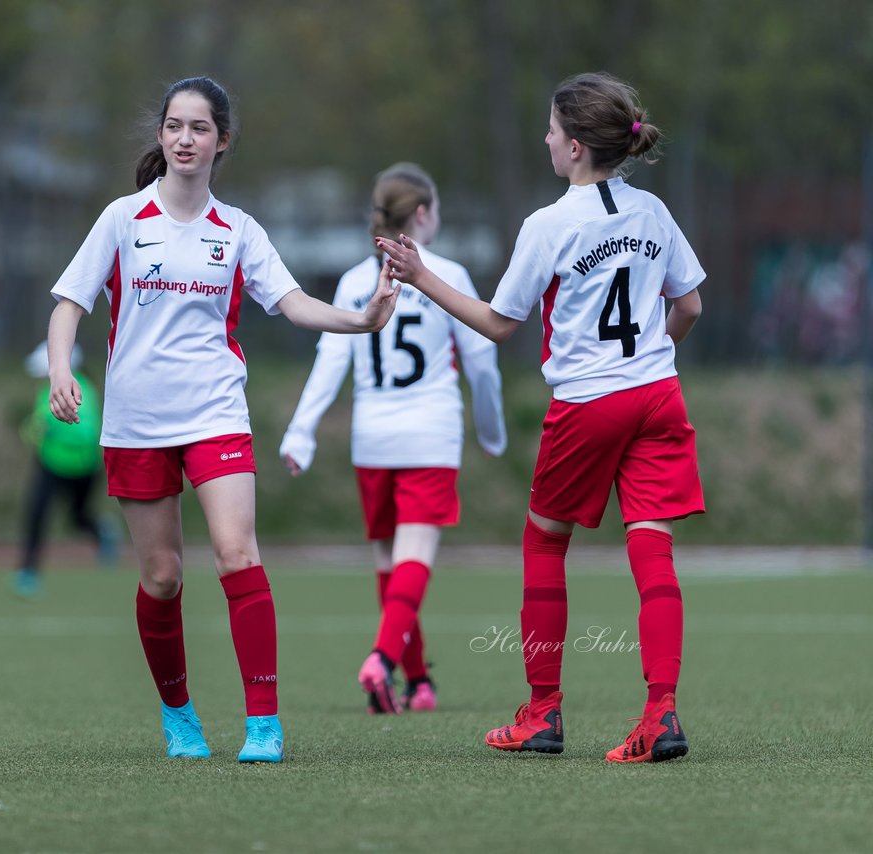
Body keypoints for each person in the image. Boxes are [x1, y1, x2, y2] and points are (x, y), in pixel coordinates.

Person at [45, 76, 399, 764]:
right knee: (163, 576)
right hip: (136, 423)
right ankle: (178, 713)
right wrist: (62, 367)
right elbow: (68, 304)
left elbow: (293, 303)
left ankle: (263, 723)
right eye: (174, 126)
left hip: (215, 413)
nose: (185, 138)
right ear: (161, 136)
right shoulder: (123, 219)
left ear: (222, 141)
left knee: (239, 553)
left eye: (199, 128)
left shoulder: (237, 231)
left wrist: (362, 318)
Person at [379, 71, 704, 763]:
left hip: (588, 403)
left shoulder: (549, 224)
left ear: (578, 147)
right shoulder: (654, 213)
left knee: (545, 543)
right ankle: (662, 714)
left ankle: (543, 713)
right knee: (651, 547)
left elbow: (498, 325)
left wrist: (420, 275)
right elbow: (691, 306)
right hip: (658, 395)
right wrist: (646, 358)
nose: (547, 139)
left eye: (554, 130)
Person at [279, 163, 507, 715]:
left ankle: (419, 683)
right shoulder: (447, 273)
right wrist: (491, 430)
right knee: (415, 559)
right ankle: (382, 660)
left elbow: (330, 360)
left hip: (373, 439)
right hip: (430, 434)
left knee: (388, 562)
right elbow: (482, 363)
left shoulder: (356, 281)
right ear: (423, 215)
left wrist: (300, 430)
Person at [13, 341, 118, 598]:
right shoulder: (45, 393)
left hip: (83, 468)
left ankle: (101, 532)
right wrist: (35, 430)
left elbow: (86, 431)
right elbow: (33, 430)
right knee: (36, 514)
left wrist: (52, 426)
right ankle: (28, 572)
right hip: (50, 464)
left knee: (77, 518)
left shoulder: (86, 390)